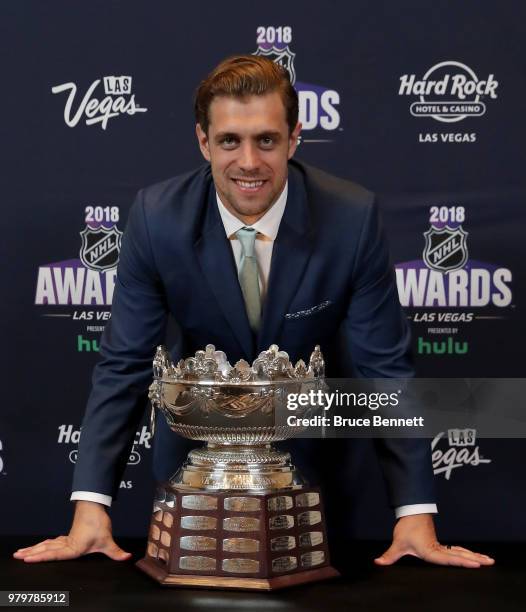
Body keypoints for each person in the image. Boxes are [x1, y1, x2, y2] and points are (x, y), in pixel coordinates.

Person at [14, 55, 493, 568]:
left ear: (295, 138)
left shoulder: (351, 219)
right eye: (229, 141)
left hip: (313, 474)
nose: (248, 162)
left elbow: (385, 371)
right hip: (194, 474)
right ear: (203, 142)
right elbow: (124, 366)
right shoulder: (156, 219)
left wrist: (415, 514)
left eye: (266, 140)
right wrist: (90, 507)